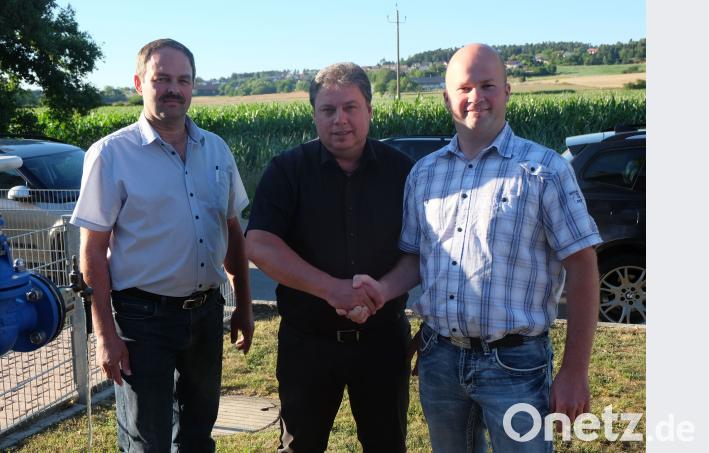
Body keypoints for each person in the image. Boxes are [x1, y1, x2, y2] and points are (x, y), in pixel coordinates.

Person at [354, 43, 602, 452]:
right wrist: (381, 290)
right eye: (464, 87)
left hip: (516, 364)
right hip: (440, 360)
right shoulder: (425, 174)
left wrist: (575, 370)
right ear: (447, 97)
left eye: (487, 85)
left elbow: (582, 264)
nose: (476, 97)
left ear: (507, 91)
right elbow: (417, 258)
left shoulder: (544, 170)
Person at [71, 38, 254, 452]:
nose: (174, 88)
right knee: (147, 440)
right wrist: (105, 335)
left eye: (183, 80)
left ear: (193, 86)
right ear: (139, 83)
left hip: (206, 315)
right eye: (162, 79)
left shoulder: (217, 151)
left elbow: (232, 233)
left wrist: (242, 305)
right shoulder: (110, 155)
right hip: (141, 320)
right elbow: (93, 252)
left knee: (197, 434)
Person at [245, 62, 414, 453]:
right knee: (300, 445)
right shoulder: (287, 171)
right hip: (308, 343)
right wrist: (333, 291)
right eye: (328, 110)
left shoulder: (403, 171)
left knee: (388, 443)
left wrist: (382, 292)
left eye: (351, 107)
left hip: (383, 340)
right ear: (314, 115)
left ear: (370, 110)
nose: (340, 120)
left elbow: (421, 252)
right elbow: (260, 244)